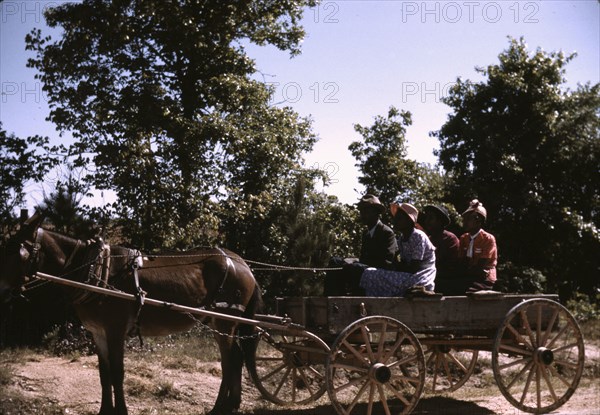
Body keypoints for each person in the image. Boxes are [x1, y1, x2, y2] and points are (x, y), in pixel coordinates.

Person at [323, 194, 397, 296]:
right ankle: (332, 298)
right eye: (361, 211)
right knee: (335, 261)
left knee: (355, 268)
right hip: (366, 269)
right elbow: (363, 258)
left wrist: (356, 262)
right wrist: (353, 260)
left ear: (376, 212)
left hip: (380, 273)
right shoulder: (366, 234)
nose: (363, 215)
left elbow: (386, 262)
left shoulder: (386, 232)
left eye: (366, 211)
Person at [359, 202, 436, 297]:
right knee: (371, 273)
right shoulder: (401, 239)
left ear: (409, 221)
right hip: (409, 274)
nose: (395, 221)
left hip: (421, 276)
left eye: (399, 219)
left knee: (371, 274)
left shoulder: (418, 236)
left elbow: (414, 267)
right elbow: (403, 263)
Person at [458, 199, 498, 292]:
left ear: (478, 221)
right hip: (470, 276)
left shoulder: (488, 239)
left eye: (469, 218)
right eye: (465, 218)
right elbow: (461, 261)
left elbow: (481, 266)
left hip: (484, 278)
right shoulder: (464, 238)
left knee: (464, 288)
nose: (465, 221)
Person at [420, 205, 460, 294]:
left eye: (431, 218)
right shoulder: (428, 239)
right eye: (427, 217)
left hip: (445, 280)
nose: (427, 221)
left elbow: (452, 267)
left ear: (440, 221)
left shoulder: (450, 239)